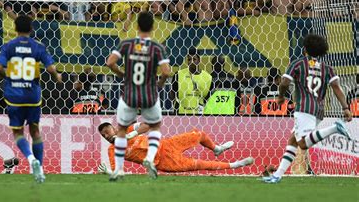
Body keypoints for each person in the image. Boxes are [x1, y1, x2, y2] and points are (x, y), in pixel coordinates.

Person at [263, 34, 353, 184]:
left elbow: (284, 82)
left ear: (304, 49)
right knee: (293, 140)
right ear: (322, 51)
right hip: (319, 110)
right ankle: (277, 175)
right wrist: (345, 107)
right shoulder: (328, 69)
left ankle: (335, 128)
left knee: (303, 143)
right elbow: (336, 88)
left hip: (304, 108)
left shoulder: (297, 64)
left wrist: (280, 97)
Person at [0, 15, 62, 184]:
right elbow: (50, 68)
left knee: (18, 132)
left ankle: (31, 159)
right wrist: (57, 77)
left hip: (14, 95)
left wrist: (10, 78)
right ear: (31, 29)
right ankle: (40, 169)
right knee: (35, 131)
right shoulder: (38, 47)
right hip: (33, 94)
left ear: (15, 28)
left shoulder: (8, 46)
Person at [106, 11, 171, 181]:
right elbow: (166, 72)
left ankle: (119, 170)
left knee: (120, 130)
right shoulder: (157, 48)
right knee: (155, 126)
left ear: (136, 26)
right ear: (153, 27)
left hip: (129, 94)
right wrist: (160, 84)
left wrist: (122, 75)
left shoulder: (127, 44)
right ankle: (149, 158)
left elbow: (110, 62)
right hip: (149, 95)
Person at [97, 122, 253, 174]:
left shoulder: (129, 129)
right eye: (103, 135)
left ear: (114, 128)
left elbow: (149, 125)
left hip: (167, 144)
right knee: (198, 165)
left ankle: (216, 149)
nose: (106, 136)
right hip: (163, 162)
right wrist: (110, 172)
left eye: (107, 131)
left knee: (198, 134)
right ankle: (235, 165)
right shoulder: (112, 150)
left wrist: (132, 135)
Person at [170, 47, 212, 115]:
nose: (191, 62)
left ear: (199, 60)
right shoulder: (178, 74)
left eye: (194, 59)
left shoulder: (208, 78)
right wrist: (176, 106)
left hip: (199, 115)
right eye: (189, 59)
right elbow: (172, 94)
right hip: (181, 114)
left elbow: (208, 99)